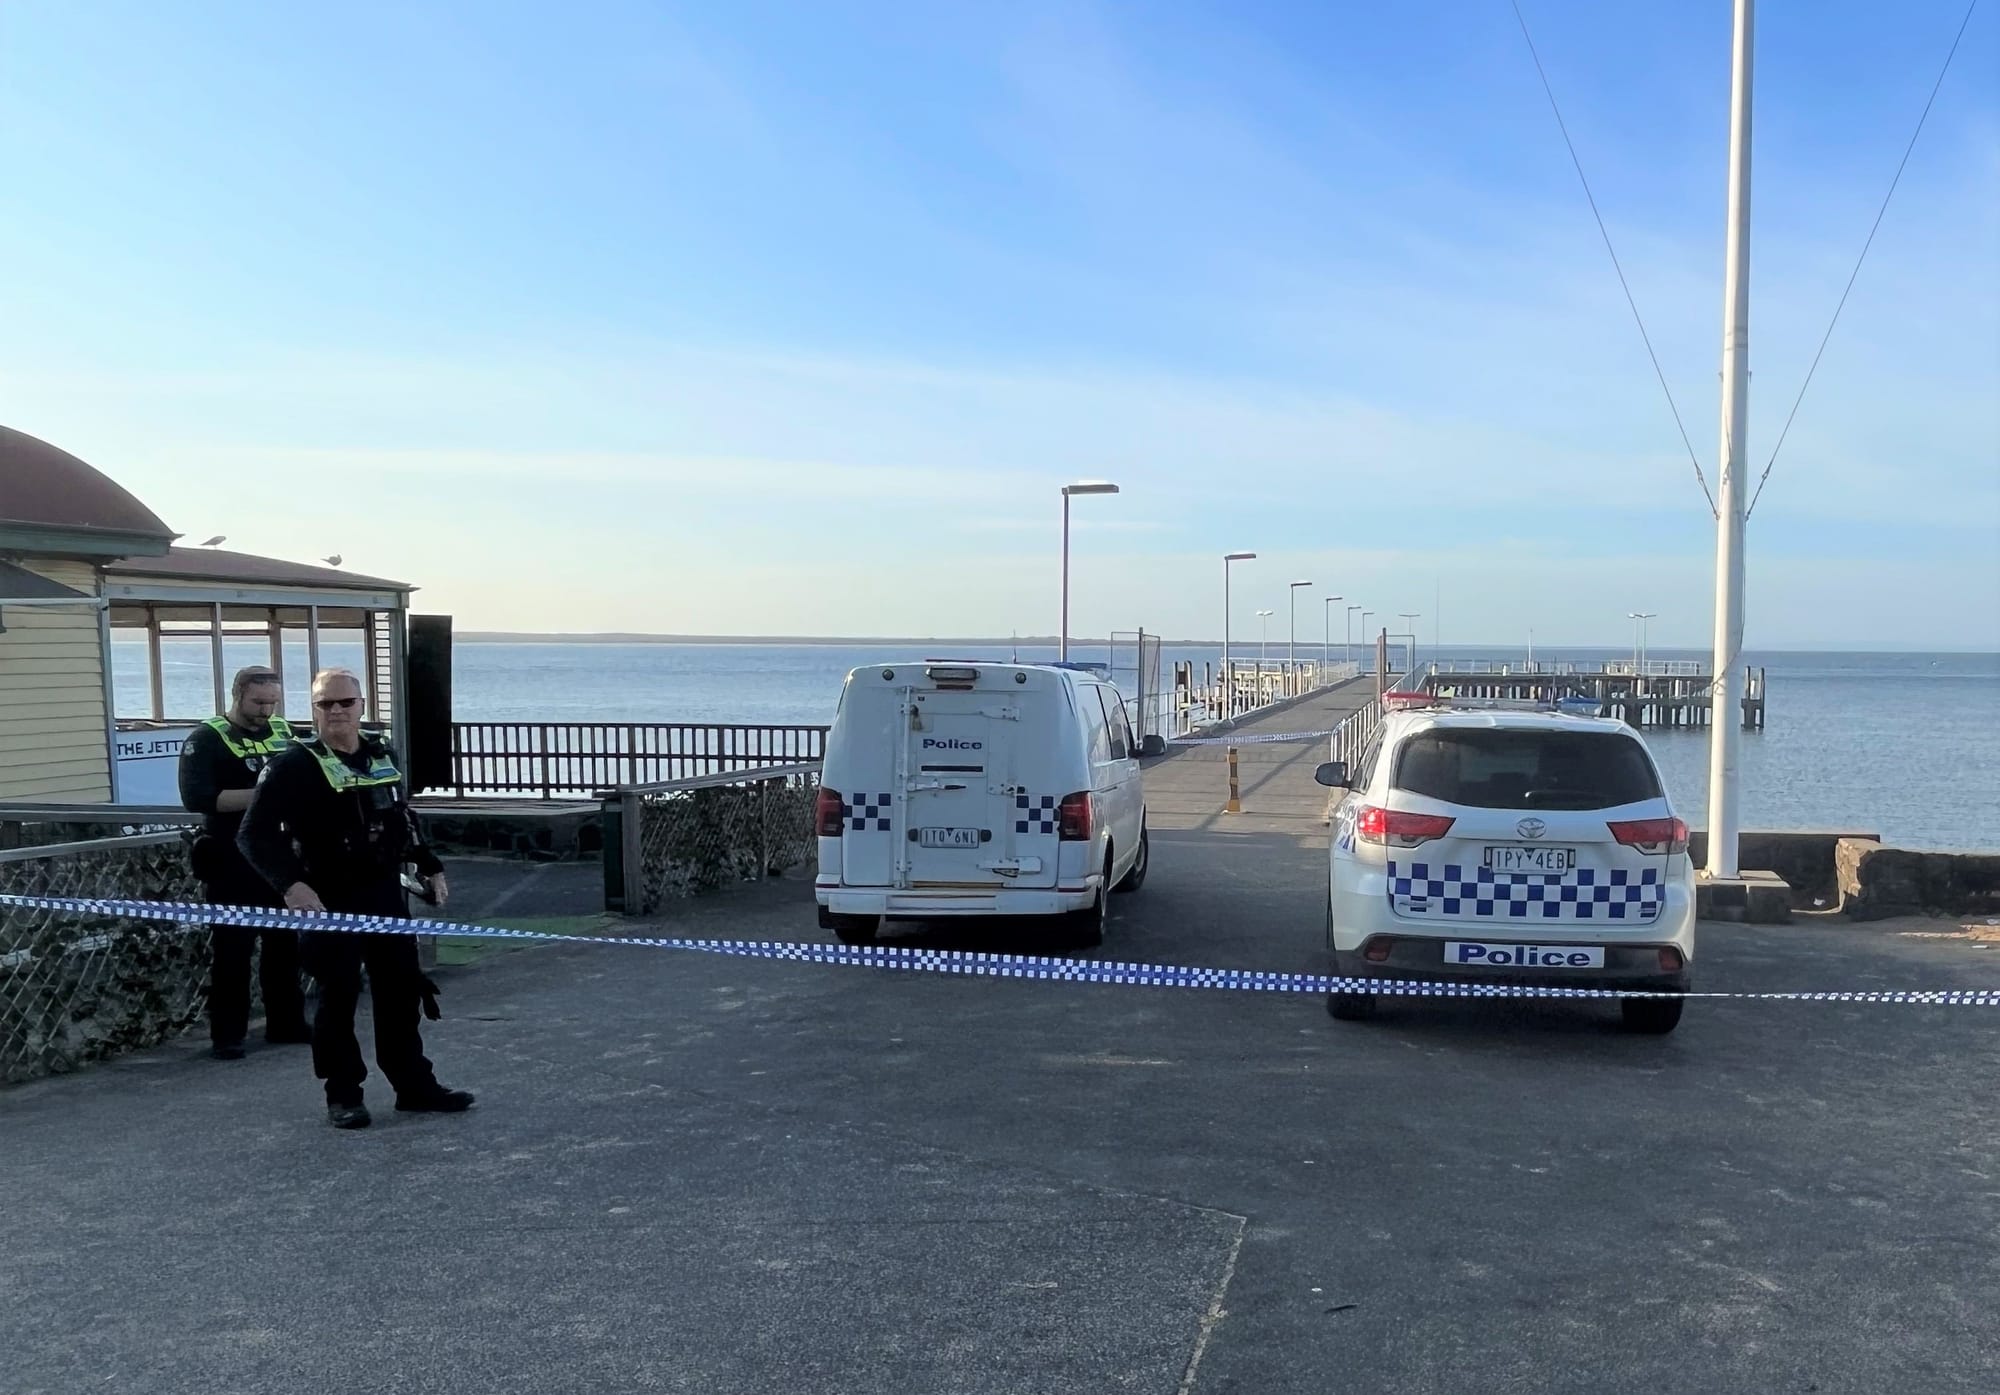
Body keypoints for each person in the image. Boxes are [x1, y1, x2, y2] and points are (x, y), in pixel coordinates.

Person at [238, 667, 472, 1129]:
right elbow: (253, 835)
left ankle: (413, 1086)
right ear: (314, 710)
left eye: (346, 702)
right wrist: (291, 885)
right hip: (328, 898)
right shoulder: (293, 765)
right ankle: (343, 1094)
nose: (337, 711)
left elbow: (401, 818)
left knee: (401, 991)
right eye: (326, 704)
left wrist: (429, 864)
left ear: (362, 706)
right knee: (338, 996)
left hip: (383, 893)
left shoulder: (380, 755)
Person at [178, 664, 310, 1060]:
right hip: (229, 856)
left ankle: (286, 1022)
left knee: (284, 946)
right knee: (232, 950)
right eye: (258, 703)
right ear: (237, 695)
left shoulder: (284, 733)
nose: (266, 712)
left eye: (272, 703)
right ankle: (228, 1034)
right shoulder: (207, 738)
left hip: (278, 855)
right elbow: (199, 798)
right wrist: (265, 794)